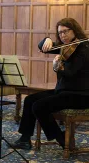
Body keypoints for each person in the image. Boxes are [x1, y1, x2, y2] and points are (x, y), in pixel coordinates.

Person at [10, 18, 89, 150]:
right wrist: (46, 39)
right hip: (65, 92)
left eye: (65, 32)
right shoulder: (65, 47)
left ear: (74, 30)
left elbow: (70, 73)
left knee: (39, 106)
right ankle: (25, 139)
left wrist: (57, 66)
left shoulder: (84, 50)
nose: (62, 35)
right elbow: (43, 47)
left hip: (80, 95)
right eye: (59, 33)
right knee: (30, 100)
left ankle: (61, 138)